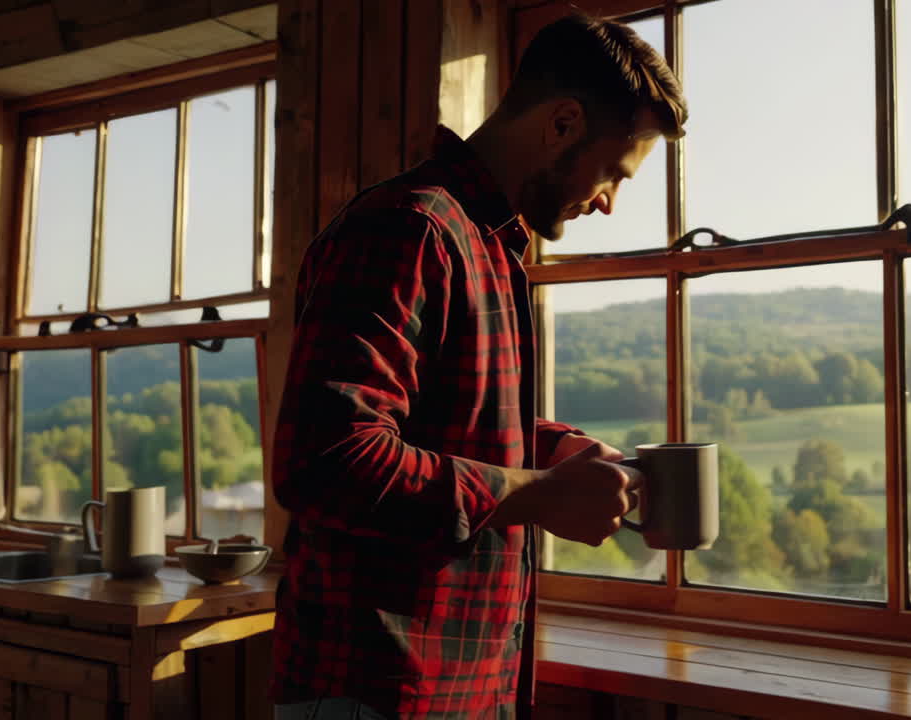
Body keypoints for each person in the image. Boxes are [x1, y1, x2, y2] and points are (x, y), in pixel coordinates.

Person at [271, 12, 688, 719]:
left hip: (461, 688)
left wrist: (550, 450)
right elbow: (324, 460)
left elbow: (439, 421)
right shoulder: (410, 230)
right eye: (614, 174)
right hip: (375, 691)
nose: (611, 204)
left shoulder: (491, 245)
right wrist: (538, 495)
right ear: (562, 125)